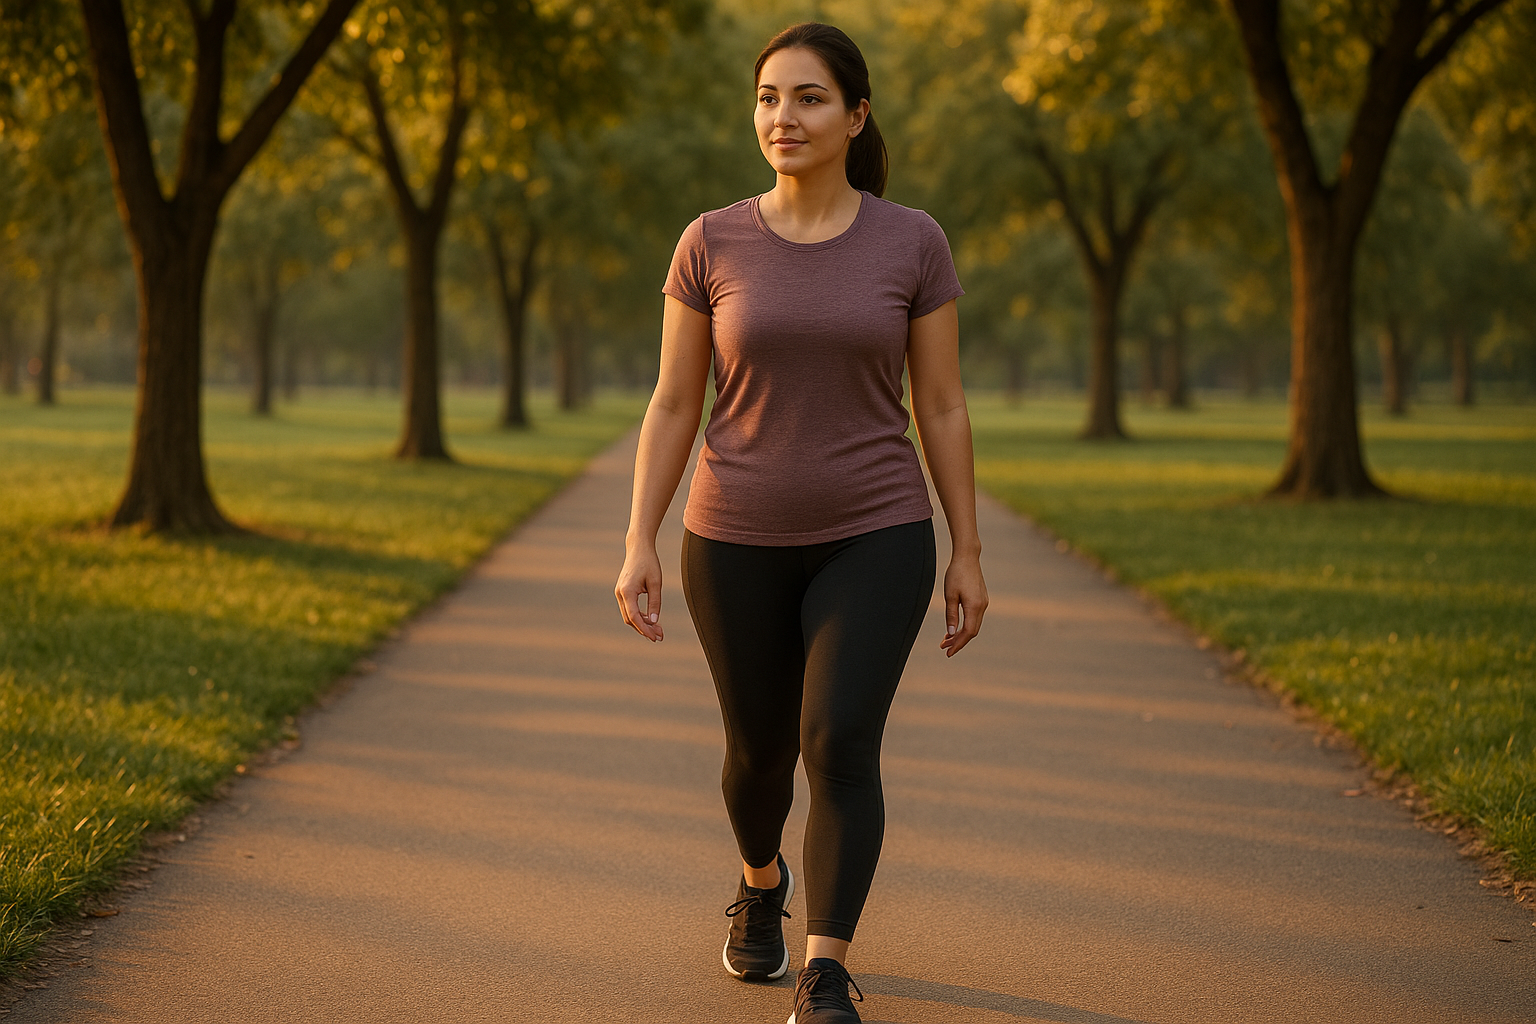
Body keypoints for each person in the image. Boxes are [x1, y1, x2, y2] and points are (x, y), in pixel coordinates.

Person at [614, 21, 987, 1024]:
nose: (786, 115)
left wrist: (967, 551)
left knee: (839, 738)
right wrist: (638, 538)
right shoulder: (711, 240)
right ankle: (761, 880)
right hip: (731, 536)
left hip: (877, 529)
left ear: (856, 114)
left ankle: (826, 972)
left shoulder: (912, 241)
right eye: (770, 96)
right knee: (756, 756)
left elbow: (942, 405)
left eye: (810, 97)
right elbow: (672, 402)